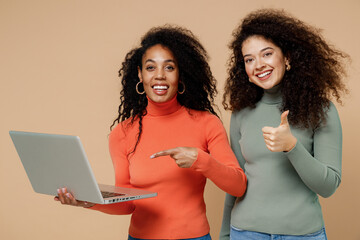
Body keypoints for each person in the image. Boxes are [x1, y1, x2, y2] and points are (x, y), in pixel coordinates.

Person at [55, 25, 247, 240]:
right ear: (139, 74)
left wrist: (200, 159)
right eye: (150, 67)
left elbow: (238, 186)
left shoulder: (206, 123)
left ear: (180, 74)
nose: (159, 76)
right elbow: (126, 204)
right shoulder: (123, 133)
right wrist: (88, 202)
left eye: (169, 67)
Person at [220, 9, 349, 240]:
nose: (258, 64)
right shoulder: (241, 113)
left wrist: (291, 146)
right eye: (249, 59)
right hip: (245, 233)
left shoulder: (321, 110)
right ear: (245, 70)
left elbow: (328, 186)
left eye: (267, 54)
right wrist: (225, 235)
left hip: (302, 234)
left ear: (287, 57)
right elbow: (236, 182)